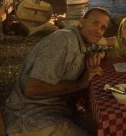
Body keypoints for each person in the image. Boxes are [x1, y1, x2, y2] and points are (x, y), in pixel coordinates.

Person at [4, 7, 111, 136]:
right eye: (95, 23)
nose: (98, 30)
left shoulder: (84, 41)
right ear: (82, 22)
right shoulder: (63, 41)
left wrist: (100, 55)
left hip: (62, 111)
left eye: (103, 28)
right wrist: (81, 83)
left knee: (106, 129)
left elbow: (106, 46)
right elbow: (32, 88)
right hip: (32, 117)